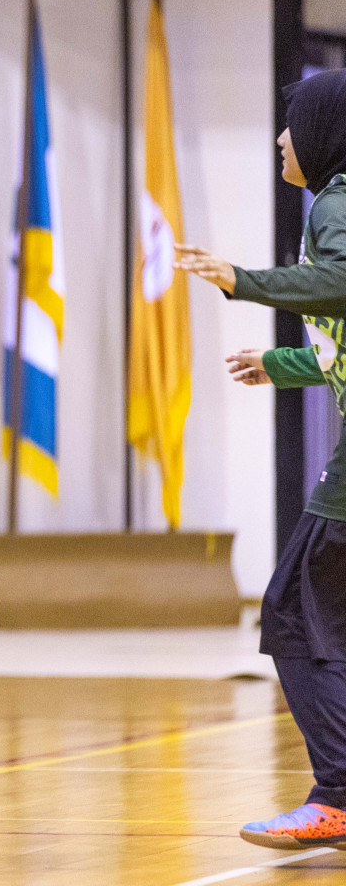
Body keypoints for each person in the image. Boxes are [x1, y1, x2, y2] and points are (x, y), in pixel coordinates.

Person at [177, 68, 346, 850]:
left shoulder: (339, 202)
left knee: (287, 609)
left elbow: (342, 283)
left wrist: (241, 279)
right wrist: (281, 366)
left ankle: (338, 795)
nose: (282, 138)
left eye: (292, 123)